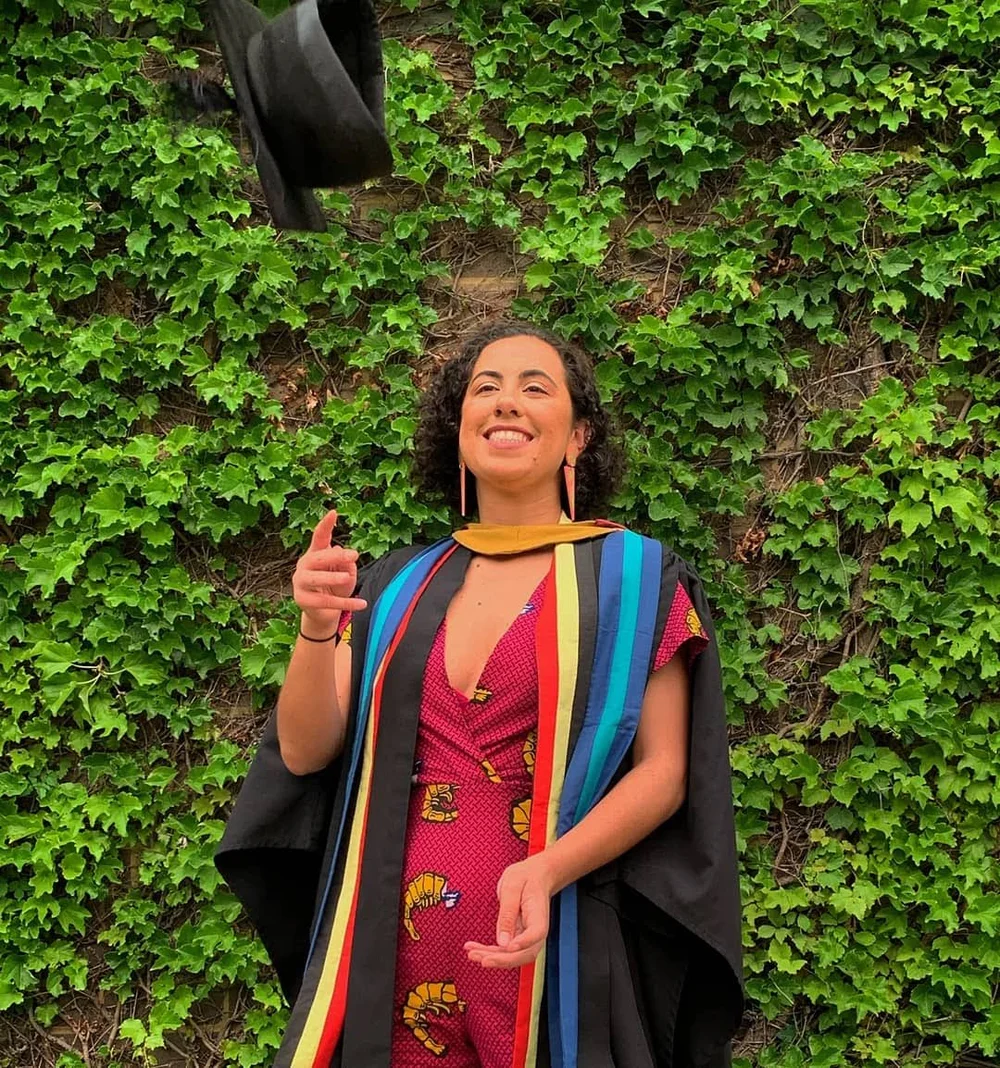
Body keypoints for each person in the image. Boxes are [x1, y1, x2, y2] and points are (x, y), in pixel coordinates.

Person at [214, 318, 745, 1068]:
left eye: (536, 387)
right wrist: (314, 627)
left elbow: (664, 774)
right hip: (386, 963)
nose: (505, 403)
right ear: (458, 427)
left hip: (553, 949)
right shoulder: (397, 585)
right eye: (485, 388)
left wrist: (548, 868)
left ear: (577, 437)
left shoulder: (636, 581)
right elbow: (305, 750)